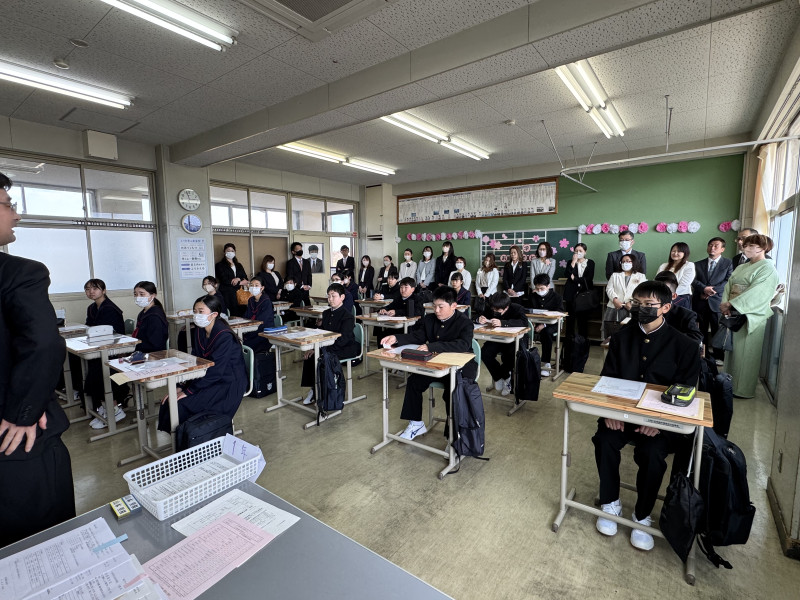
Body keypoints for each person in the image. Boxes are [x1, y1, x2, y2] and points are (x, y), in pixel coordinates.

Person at [593, 281, 700, 552]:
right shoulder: (621, 337)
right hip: (622, 414)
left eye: (649, 305)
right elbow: (608, 379)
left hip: (660, 422)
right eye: (637, 303)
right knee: (604, 440)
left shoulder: (684, 345)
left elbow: (685, 392)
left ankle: (642, 514)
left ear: (666, 307)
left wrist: (659, 423)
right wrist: (612, 413)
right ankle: (610, 501)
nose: (641, 309)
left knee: (652, 454)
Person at [0, 172, 75, 548]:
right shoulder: (18, 273)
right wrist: (24, 410)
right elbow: (43, 344)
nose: (16, 215)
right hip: (15, 439)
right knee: (44, 546)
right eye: (8, 205)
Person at [380, 286, 476, 441]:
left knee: (453, 391)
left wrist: (432, 347)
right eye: (434, 306)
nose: (436, 310)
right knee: (413, 382)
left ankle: (453, 434)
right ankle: (416, 424)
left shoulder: (464, 322)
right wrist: (397, 338)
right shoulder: (430, 319)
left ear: (453, 306)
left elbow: (463, 345)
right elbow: (418, 336)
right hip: (435, 364)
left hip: (460, 366)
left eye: (441, 307)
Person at [156, 294, 247, 444]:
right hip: (208, 378)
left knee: (181, 404)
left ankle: (191, 440)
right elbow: (196, 362)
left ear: (214, 314)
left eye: (201, 311)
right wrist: (181, 386)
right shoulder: (199, 331)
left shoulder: (224, 336)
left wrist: (189, 392)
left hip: (227, 384)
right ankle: (182, 441)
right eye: (195, 311)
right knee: (170, 400)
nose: (196, 315)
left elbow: (216, 372)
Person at [720, 234, 779, 398]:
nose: (747, 248)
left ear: (764, 248)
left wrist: (731, 304)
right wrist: (725, 304)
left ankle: (743, 389)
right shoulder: (742, 267)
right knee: (732, 352)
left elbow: (759, 292)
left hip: (751, 314)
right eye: (746, 245)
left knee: (746, 353)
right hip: (733, 311)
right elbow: (729, 286)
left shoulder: (768, 268)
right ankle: (729, 384)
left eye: (752, 246)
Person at [300, 284, 360, 405]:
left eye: (333, 296)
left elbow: (343, 340)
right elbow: (322, 333)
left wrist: (322, 349)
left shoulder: (347, 316)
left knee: (322, 357)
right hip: (329, 346)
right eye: (328, 296)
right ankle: (314, 389)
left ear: (342, 297)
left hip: (346, 347)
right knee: (310, 355)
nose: (330, 299)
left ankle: (325, 393)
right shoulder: (326, 313)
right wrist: (314, 347)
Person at [83, 279, 129, 427]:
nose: (91, 292)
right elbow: (90, 328)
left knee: (98, 371)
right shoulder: (92, 308)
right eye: (88, 289)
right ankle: (104, 406)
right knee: (86, 365)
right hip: (100, 347)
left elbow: (112, 333)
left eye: (95, 288)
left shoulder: (109, 308)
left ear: (104, 291)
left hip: (115, 350)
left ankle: (114, 409)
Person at [475, 292, 528, 395]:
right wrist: (479, 319)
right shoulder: (492, 307)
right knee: (485, 353)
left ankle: (506, 377)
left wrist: (503, 323)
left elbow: (524, 323)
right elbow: (477, 316)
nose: (494, 312)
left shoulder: (517, 308)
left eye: (498, 310)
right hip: (497, 338)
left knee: (510, 356)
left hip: (515, 340)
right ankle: (500, 377)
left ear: (506, 307)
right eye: (493, 309)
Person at [691, 237, 733, 364]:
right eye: (710, 245)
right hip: (700, 301)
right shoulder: (697, 264)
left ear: (722, 249)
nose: (712, 248)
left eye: (716, 245)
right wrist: (704, 289)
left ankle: (719, 356)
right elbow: (693, 280)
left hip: (718, 302)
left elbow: (728, 280)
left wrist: (712, 290)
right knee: (701, 330)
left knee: (717, 329)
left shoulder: (728, 263)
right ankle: (703, 356)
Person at [652, 271, 704, 344]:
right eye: (655, 292)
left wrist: (666, 338)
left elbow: (696, 337)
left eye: (664, 293)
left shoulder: (686, 315)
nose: (658, 296)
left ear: (674, 296)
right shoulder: (646, 310)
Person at [604, 254, 647, 338]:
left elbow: (642, 292)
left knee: (629, 332)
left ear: (633, 262)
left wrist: (631, 301)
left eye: (628, 261)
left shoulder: (641, 276)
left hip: (631, 307)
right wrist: (615, 299)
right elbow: (609, 289)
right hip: (614, 307)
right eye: (623, 262)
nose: (625, 263)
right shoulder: (615, 275)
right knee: (612, 332)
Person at [531, 273, 565, 377]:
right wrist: (532, 322)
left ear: (548, 286)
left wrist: (544, 325)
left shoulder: (557, 297)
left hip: (552, 325)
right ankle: (527, 359)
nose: (539, 291)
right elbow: (529, 310)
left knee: (546, 333)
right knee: (523, 331)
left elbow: (559, 313)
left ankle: (546, 363)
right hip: (536, 323)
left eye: (542, 288)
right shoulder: (533, 296)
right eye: (537, 288)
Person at [563, 243, 595, 339]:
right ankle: (569, 341)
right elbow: (567, 275)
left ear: (585, 252)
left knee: (583, 320)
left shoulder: (590, 262)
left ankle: (582, 341)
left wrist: (575, 279)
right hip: (571, 294)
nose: (578, 253)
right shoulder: (570, 262)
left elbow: (588, 279)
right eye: (576, 251)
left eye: (580, 251)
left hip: (584, 294)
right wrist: (573, 262)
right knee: (570, 319)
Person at [132, 281, 169, 353]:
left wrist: (133, 346)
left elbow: (155, 344)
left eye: (142, 294)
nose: (138, 297)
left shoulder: (154, 316)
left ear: (152, 296)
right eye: (135, 294)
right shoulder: (143, 313)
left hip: (153, 354)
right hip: (141, 351)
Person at [243, 274, 275, 354]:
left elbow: (263, 321)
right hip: (252, 329)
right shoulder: (251, 300)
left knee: (244, 344)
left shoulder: (266, 301)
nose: (253, 287)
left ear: (262, 288)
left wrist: (249, 331)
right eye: (251, 285)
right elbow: (247, 316)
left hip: (263, 332)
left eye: (256, 285)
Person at [215, 242, 249, 317]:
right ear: (224, 252)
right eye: (228, 250)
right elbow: (224, 280)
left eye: (232, 251)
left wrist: (238, 279)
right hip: (227, 294)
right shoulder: (219, 265)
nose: (230, 252)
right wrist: (240, 283)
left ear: (235, 252)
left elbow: (245, 278)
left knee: (242, 314)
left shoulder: (239, 265)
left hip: (240, 294)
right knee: (230, 315)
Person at [658, 242, 694, 308]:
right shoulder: (663, 266)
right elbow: (657, 282)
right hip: (662, 297)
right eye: (673, 251)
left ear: (685, 253)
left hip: (681, 297)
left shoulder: (689, 265)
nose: (675, 253)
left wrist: (670, 296)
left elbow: (684, 284)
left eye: (679, 251)